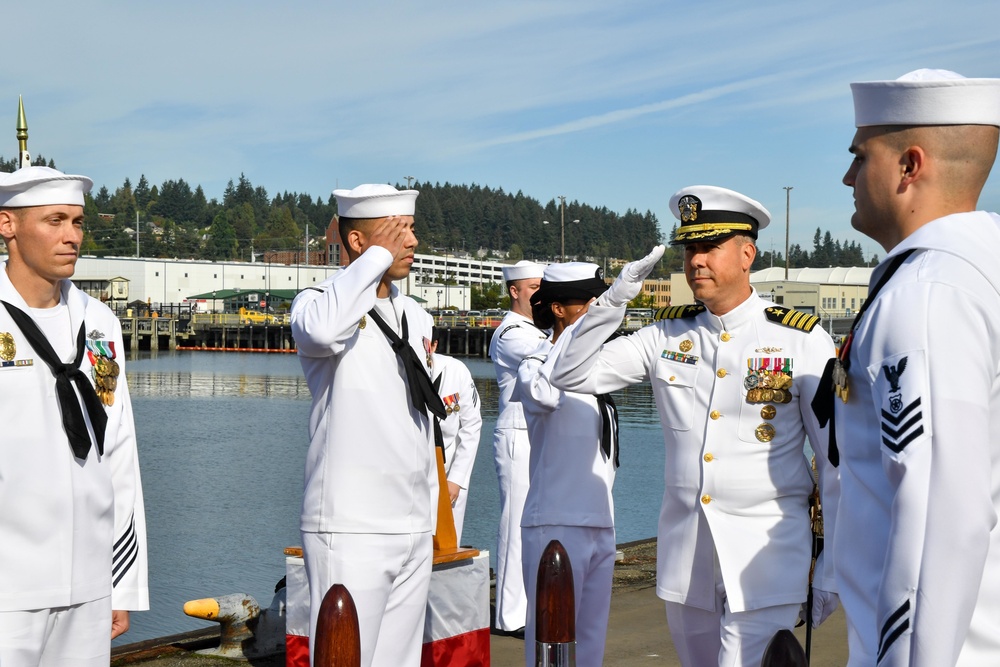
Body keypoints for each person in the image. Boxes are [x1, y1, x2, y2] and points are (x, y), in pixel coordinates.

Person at [547, 186, 838, 667]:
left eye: (709, 247)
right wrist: (615, 298)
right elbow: (569, 373)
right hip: (687, 559)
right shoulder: (665, 333)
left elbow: (833, 460)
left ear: (747, 254)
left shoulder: (800, 339)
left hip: (768, 557)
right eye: (689, 249)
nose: (696, 260)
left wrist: (833, 565)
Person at [829, 69, 1000, 665]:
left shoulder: (927, 295)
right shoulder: (981, 268)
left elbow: (937, 520)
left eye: (859, 157)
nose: (847, 176)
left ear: (909, 166)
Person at [291, 183, 444, 667]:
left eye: (412, 229)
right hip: (351, 524)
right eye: (397, 232)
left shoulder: (414, 315)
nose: (411, 242)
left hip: (413, 520)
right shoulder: (317, 304)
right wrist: (375, 261)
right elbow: (321, 332)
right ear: (358, 243)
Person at [0, 166, 148, 665]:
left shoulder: (99, 322)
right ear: (8, 226)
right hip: (9, 585)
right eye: (55, 220)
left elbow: (119, 450)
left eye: (78, 223)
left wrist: (122, 582)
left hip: (88, 582)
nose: (71, 237)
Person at [515, 262, 619, 667]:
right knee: (549, 645)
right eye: (588, 303)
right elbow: (545, 394)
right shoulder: (535, 362)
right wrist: (579, 334)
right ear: (559, 310)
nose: (597, 310)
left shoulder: (601, 365)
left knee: (591, 644)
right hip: (555, 521)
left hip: (599, 520)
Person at [487, 259, 546, 636]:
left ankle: (532, 606)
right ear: (514, 291)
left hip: (538, 432)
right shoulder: (512, 333)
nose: (541, 296)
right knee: (516, 524)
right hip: (518, 431)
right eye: (534, 288)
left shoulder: (534, 330)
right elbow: (554, 360)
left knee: (537, 522)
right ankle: (511, 616)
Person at [428, 328, 483, 545]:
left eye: (427, 345)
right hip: (413, 469)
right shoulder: (398, 370)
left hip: (448, 468)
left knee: (448, 543)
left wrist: (456, 479)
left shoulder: (455, 371)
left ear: (434, 345)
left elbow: (471, 427)